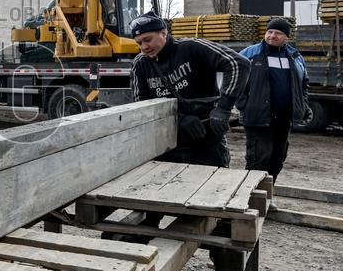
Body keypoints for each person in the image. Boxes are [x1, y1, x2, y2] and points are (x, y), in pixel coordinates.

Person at [129, 11, 250, 167]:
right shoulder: (140, 64)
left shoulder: (191, 48)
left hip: (207, 142)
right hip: (167, 145)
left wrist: (223, 108)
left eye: (148, 40)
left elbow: (238, 63)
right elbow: (142, 107)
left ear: (163, 33)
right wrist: (179, 119)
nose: (144, 47)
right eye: (139, 43)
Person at [238, 17, 308, 181]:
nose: (272, 36)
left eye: (278, 33)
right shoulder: (250, 54)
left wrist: (302, 104)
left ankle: (268, 193)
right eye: (269, 32)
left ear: (287, 37)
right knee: (258, 160)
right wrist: (244, 104)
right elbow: (234, 78)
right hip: (258, 117)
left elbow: (304, 83)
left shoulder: (295, 57)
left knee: (277, 160)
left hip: (284, 119)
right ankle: (252, 195)